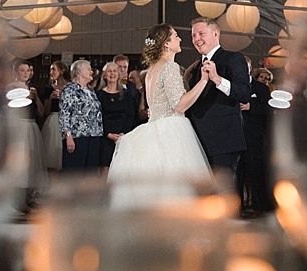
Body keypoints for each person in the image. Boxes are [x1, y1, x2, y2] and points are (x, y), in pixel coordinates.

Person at [108, 24, 212, 185]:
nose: (180, 39)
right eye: (176, 35)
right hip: (171, 130)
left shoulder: (152, 69)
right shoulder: (169, 66)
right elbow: (179, 105)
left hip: (154, 128)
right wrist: (204, 80)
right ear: (166, 43)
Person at [185, 17, 250, 179]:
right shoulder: (193, 69)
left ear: (215, 34)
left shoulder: (234, 59)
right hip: (196, 142)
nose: (197, 39)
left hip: (224, 141)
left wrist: (217, 79)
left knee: (222, 195)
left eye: (201, 34)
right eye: (193, 35)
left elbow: (244, 93)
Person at [4, 59, 48, 206]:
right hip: (18, 126)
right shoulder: (11, 87)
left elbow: (41, 112)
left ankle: (29, 195)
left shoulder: (33, 89)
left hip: (31, 126)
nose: (25, 73)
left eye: (27, 70)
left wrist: (35, 99)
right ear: (16, 72)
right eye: (22, 70)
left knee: (32, 161)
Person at [238, 65, 274, 215]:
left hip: (254, 137)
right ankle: (237, 206)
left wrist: (250, 107)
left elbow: (269, 110)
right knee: (237, 174)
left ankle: (259, 204)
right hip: (236, 136)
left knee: (256, 171)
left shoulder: (261, 89)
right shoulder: (230, 85)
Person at [58, 59, 103, 172]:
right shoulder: (69, 90)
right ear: (79, 72)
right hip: (77, 136)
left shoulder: (91, 91)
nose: (91, 71)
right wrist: (68, 136)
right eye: (88, 69)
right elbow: (64, 114)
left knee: (90, 174)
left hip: (93, 136)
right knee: (74, 173)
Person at [97, 61, 137, 171]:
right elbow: (97, 118)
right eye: (109, 71)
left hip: (123, 136)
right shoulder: (98, 95)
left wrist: (122, 134)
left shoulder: (127, 94)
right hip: (105, 137)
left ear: (119, 74)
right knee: (105, 169)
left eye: (115, 71)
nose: (112, 73)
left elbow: (131, 116)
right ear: (104, 75)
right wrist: (108, 134)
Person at [40, 60, 69, 172]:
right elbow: (45, 111)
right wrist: (51, 99)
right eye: (50, 69)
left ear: (62, 71)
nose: (51, 72)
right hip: (52, 121)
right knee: (51, 157)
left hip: (66, 121)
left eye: (53, 69)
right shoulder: (48, 88)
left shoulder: (70, 87)